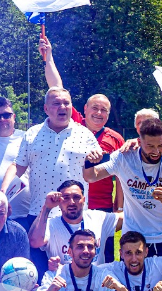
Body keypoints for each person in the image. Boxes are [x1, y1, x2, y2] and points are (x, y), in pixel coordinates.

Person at [1, 86, 100, 273]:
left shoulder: (85, 134)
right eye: (56, 104)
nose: (62, 107)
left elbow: (95, 171)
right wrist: (3, 193)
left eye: (66, 103)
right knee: (39, 273)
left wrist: (95, 159)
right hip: (40, 214)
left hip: (74, 216)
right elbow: (18, 166)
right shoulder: (32, 134)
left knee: (76, 273)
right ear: (46, 108)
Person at [42, 39, 126, 258]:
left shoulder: (115, 139)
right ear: (85, 109)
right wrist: (49, 57)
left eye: (104, 110)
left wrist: (119, 209)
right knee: (69, 254)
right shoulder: (75, 124)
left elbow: (121, 178)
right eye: (95, 108)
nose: (98, 113)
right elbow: (56, 87)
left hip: (101, 207)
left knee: (103, 257)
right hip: (73, 204)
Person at [84, 117, 162, 257]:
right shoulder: (124, 157)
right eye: (150, 146)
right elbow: (91, 177)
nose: (156, 151)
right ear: (139, 141)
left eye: (161, 145)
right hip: (133, 237)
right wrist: (89, 162)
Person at [29, 180, 122, 266]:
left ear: (84, 200)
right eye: (66, 198)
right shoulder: (51, 224)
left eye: (76, 197)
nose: (72, 202)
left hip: (95, 277)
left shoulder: (98, 218)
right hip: (64, 277)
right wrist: (47, 207)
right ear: (59, 202)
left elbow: (127, 218)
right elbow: (34, 242)